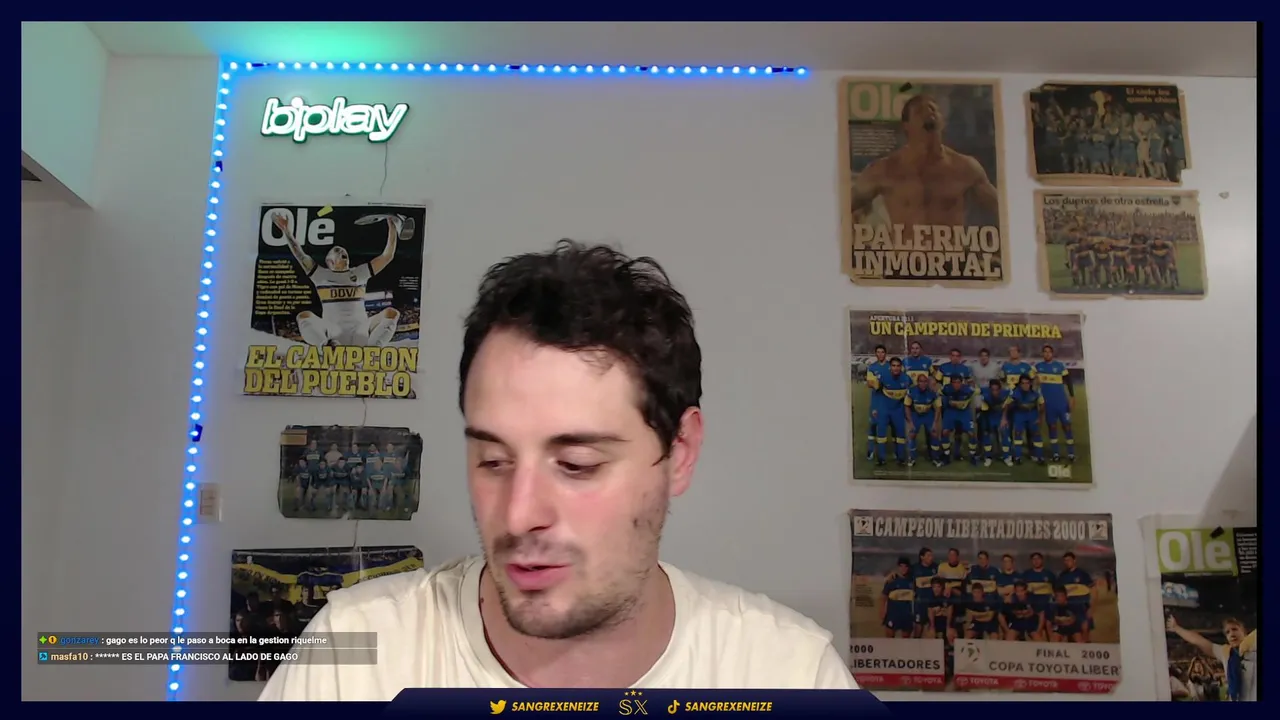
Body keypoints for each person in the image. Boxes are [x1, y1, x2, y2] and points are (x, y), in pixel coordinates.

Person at [260, 241, 858, 699]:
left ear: (680, 452)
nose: (519, 515)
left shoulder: (790, 675)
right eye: (493, 460)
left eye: (576, 465)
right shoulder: (351, 658)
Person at [850, 94, 1000, 245]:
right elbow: (845, 208)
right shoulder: (884, 169)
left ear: (942, 122)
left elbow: (1001, 208)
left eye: (933, 109)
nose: (929, 113)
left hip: (950, 257)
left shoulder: (965, 167)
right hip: (905, 257)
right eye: (919, 111)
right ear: (906, 125)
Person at [272, 211, 406, 348]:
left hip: (361, 331)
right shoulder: (320, 275)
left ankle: (372, 351)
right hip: (333, 333)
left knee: (391, 313)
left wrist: (392, 226)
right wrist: (286, 231)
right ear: (329, 262)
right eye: (337, 251)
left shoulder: (360, 272)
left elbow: (387, 256)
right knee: (304, 316)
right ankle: (326, 346)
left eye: (343, 251)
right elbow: (299, 254)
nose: (342, 251)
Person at [1166, 615, 1257, 701]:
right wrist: (1177, 628)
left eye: (1235, 629)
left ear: (1244, 632)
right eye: (1227, 632)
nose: (1232, 634)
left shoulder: (1254, 647)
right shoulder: (1226, 653)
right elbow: (1198, 641)